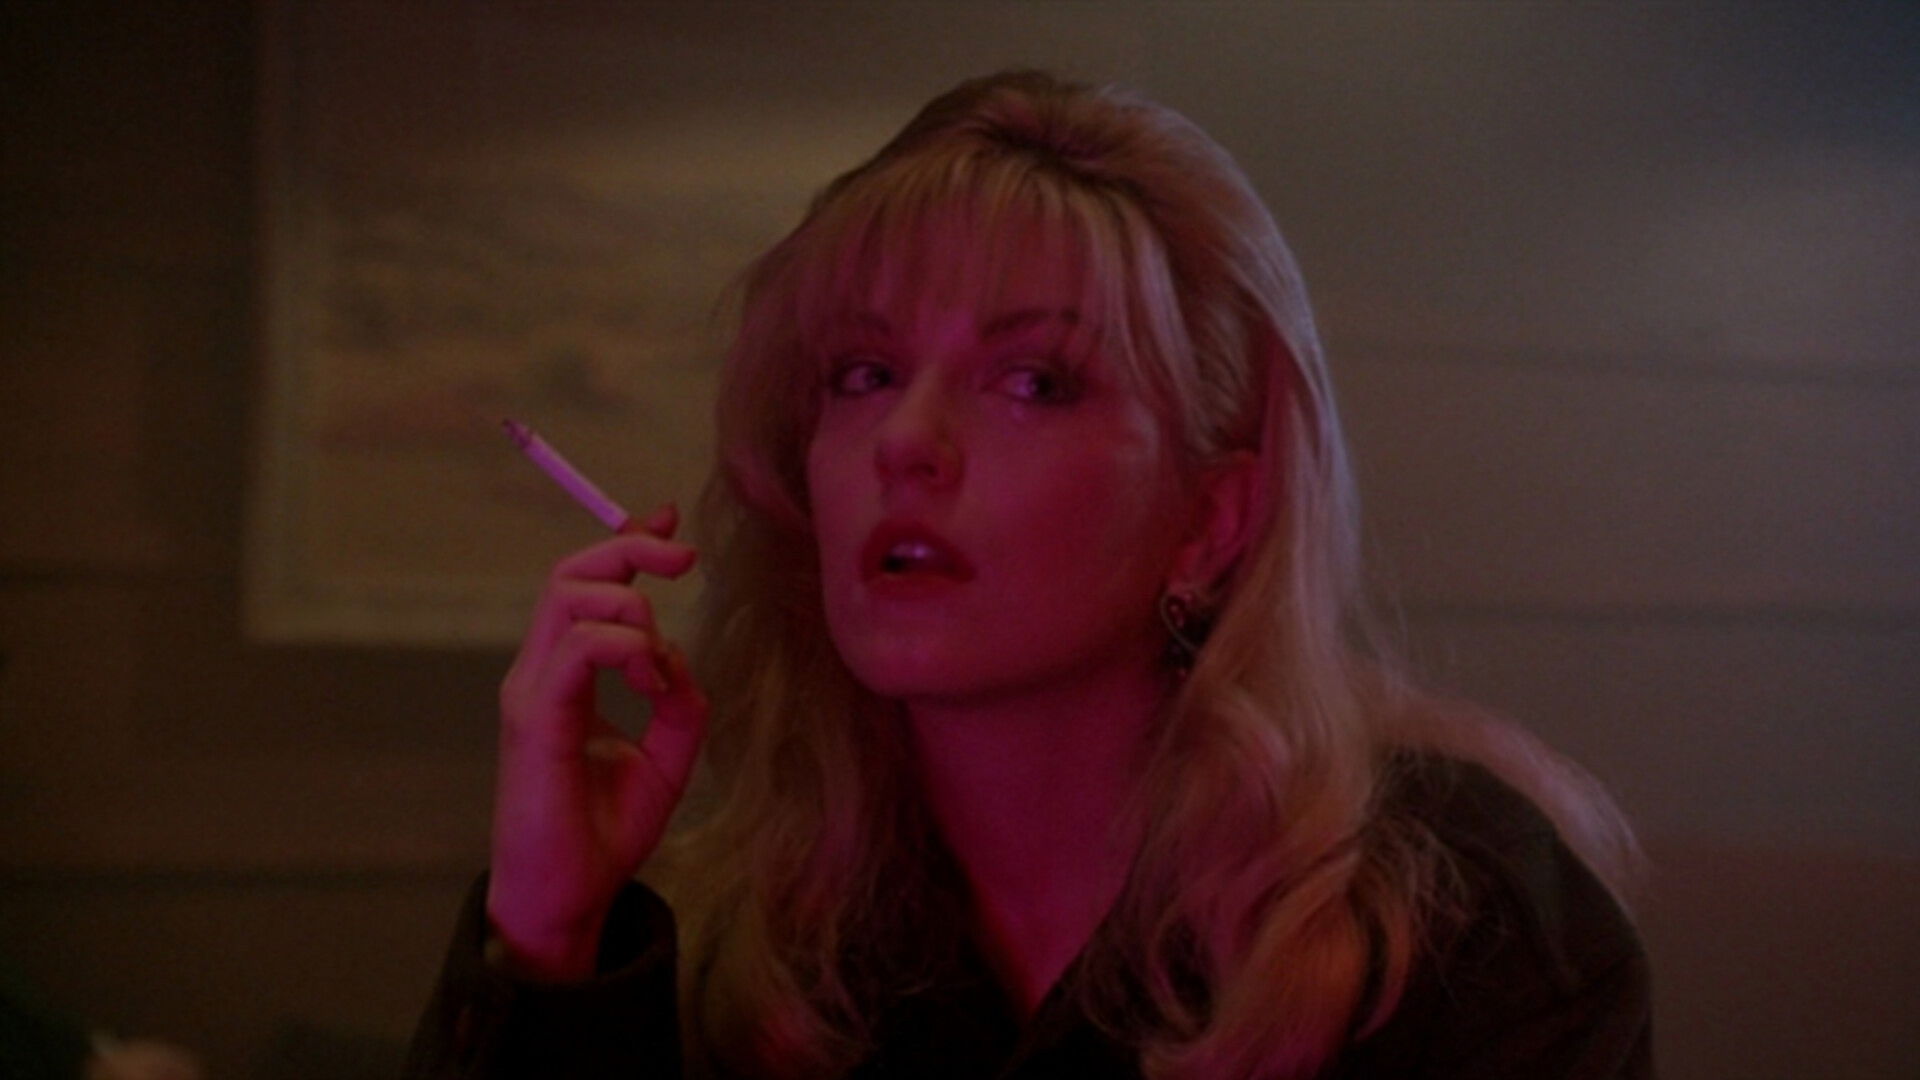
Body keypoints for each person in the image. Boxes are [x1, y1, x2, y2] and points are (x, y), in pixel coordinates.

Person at [405, 70, 1651, 1078]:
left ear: (1209, 521)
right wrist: (550, 938)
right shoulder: (744, 943)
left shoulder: (1464, 933)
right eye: (863, 374)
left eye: (1032, 382)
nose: (904, 441)